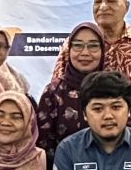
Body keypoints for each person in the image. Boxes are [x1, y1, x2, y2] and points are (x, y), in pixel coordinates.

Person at [49, 0, 131, 84]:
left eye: (111, 1)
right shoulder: (75, 44)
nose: (103, 7)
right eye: (98, 1)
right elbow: (57, 86)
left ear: (126, 6)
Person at [37, 22, 108, 157]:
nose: (85, 53)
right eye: (78, 45)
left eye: (93, 46)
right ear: (68, 50)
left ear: (102, 51)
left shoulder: (114, 89)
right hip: (65, 167)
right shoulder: (54, 92)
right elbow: (44, 144)